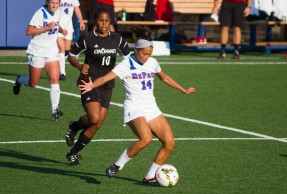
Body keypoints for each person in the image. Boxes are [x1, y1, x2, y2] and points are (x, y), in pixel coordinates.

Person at [79, 26, 196, 184]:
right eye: (144, 53)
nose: (147, 57)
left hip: (152, 108)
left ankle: (149, 176)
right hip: (134, 107)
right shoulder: (126, 64)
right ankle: (117, 166)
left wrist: (183, 90)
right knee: (145, 139)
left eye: (150, 54)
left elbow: (164, 77)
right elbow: (106, 78)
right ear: (136, 50)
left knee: (169, 142)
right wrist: (91, 86)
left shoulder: (153, 62)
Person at [65, 7, 130, 165]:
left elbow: (129, 59)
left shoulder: (117, 38)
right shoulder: (87, 38)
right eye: (101, 20)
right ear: (95, 21)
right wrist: (80, 67)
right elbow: (71, 55)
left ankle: (73, 153)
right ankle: (75, 125)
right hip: (89, 82)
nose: (104, 24)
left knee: (97, 124)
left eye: (107, 21)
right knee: (94, 117)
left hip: (107, 84)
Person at [13, 0, 67, 121]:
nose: (54, 5)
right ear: (47, 2)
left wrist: (61, 30)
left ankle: (55, 111)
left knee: (54, 79)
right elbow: (29, 31)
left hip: (51, 50)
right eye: (52, 3)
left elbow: (56, 24)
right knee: (33, 83)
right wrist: (47, 27)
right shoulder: (40, 13)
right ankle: (20, 79)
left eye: (57, 3)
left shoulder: (58, 12)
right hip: (37, 50)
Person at [57, 0, 86, 81]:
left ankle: (56, 60)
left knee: (66, 50)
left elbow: (76, 9)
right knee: (61, 48)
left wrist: (81, 21)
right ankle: (62, 72)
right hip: (58, 26)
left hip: (68, 26)